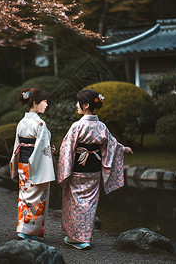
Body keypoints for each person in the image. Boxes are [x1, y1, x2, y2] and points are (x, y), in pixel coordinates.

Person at [57, 89, 133, 250]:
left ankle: (76, 237)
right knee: (89, 204)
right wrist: (123, 149)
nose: (76, 105)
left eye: (78, 103)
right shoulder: (101, 126)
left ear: (85, 105)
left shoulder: (77, 126)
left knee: (74, 202)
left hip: (78, 169)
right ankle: (85, 238)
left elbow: (66, 148)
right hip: (94, 170)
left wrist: (64, 170)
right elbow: (111, 144)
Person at [9, 87, 56, 241]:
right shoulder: (40, 123)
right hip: (35, 165)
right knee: (37, 199)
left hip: (23, 164)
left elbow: (18, 144)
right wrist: (51, 150)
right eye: (44, 102)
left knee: (24, 197)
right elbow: (43, 147)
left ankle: (22, 228)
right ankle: (29, 232)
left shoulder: (22, 122)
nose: (46, 105)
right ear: (35, 103)